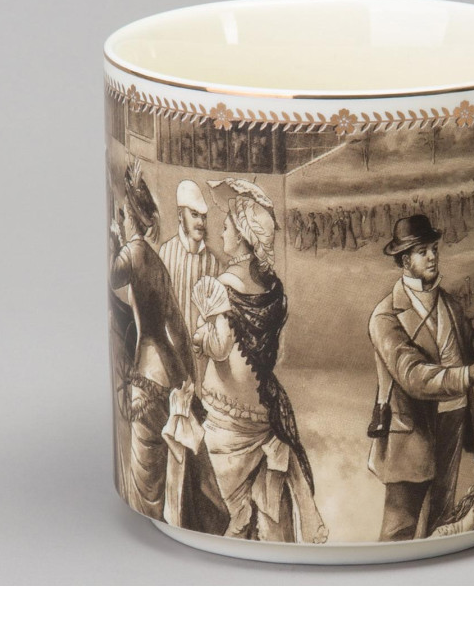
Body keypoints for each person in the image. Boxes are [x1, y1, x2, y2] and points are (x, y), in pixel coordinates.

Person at [192, 178, 327, 543]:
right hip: (262, 414)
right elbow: (270, 352)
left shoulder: (224, 284)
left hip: (228, 421)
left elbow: (220, 347)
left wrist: (200, 336)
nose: (221, 232)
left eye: (227, 226)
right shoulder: (274, 290)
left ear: (241, 236)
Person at [367, 215, 474, 541]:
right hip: (411, 432)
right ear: (405, 260)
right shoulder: (385, 316)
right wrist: (465, 376)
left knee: (442, 516)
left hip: (453, 420)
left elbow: (469, 347)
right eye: (423, 251)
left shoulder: (448, 303)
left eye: (434, 248)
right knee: (400, 525)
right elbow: (412, 375)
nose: (433, 256)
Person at [109, 162, 226, 532]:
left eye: (123, 213)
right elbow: (176, 325)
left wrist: (115, 241)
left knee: (147, 476)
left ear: (130, 216)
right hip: (171, 375)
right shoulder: (159, 259)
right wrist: (188, 380)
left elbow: (112, 277)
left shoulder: (134, 252)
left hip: (148, 378)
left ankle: (161, 521)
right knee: (168, 464)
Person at [159, 180, 220, 337]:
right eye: (194, 215)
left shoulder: (212, 262)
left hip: (200, 346)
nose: (200, 222)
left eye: (203, 217)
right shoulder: (165, 252)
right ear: (180, 215)